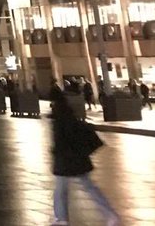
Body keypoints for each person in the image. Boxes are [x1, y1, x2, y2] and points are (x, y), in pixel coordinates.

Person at [50, 93, 121, 226]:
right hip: (78, 160)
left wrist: (54, 151)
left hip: (66, 161)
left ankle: (61, 218)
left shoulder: (59, 121)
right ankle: (111, 215)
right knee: (88, 187)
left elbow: (60, 142)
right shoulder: (71, 118)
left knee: (61, 189)